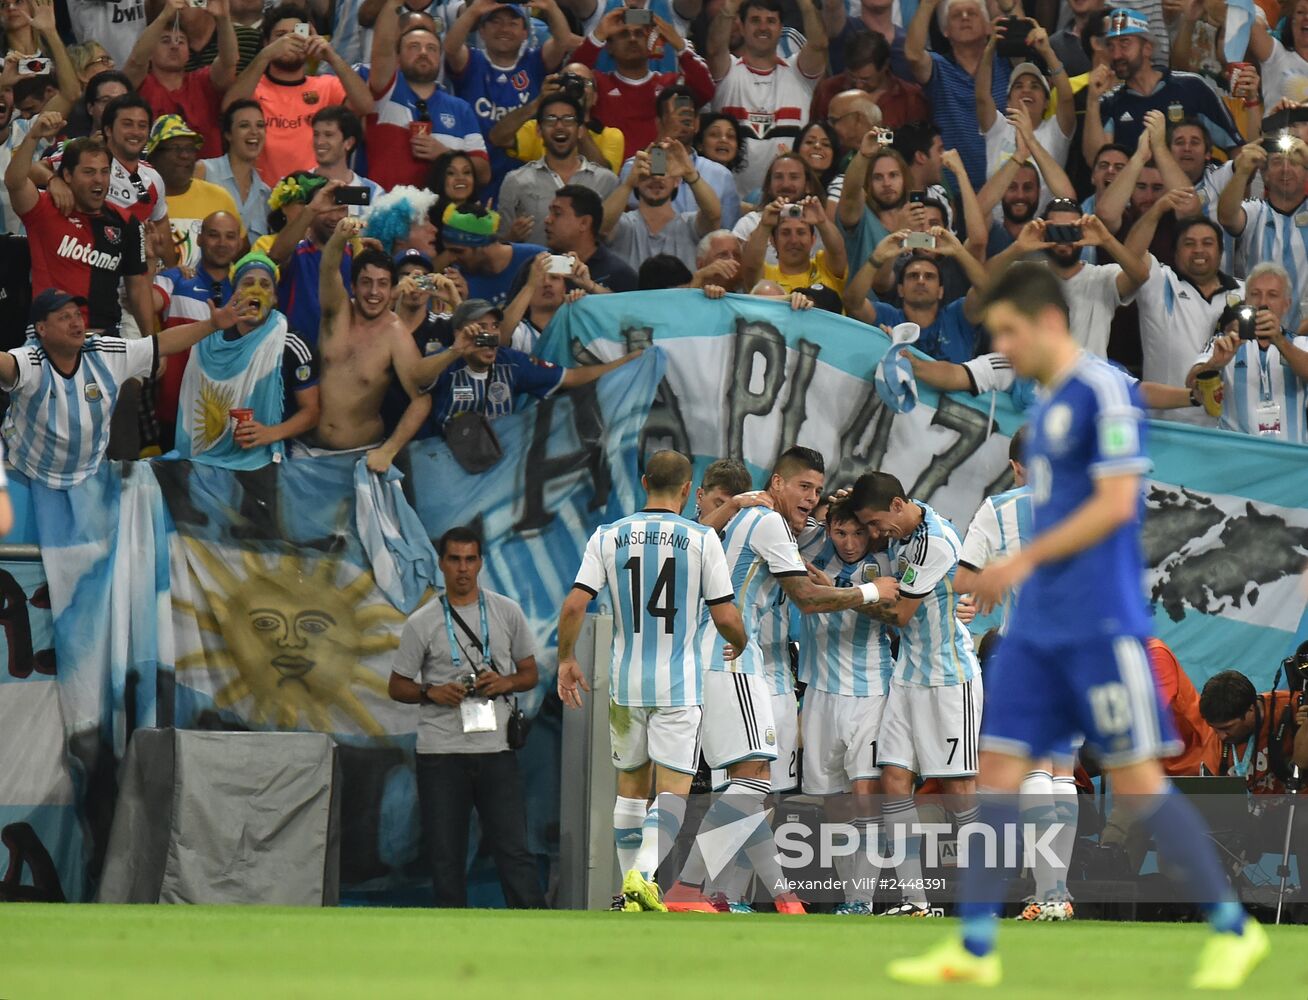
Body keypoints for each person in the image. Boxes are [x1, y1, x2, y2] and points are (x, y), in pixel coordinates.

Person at [887, 261, 1269, 989]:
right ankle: (972, 948)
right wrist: (901, 358)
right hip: (1037, 630)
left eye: (1007, 333)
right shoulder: (1049, 393)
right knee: (997, 772)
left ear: (1046, 323)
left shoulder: (1099, 389)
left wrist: (1014, 565)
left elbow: (1116, 505)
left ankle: (1231, 927)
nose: (1002, 348)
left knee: (1136, 784)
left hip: (1097, 620)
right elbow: (963, 377)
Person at [663, 447, 900, 914]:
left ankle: (753, 895)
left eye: (816, 489)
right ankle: (696, 889)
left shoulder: (753, 521)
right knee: (752, 786)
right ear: (776, 482)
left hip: (723, 665)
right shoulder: (768, 523)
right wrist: (873, 590)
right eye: (803, 487)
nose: (811, 498)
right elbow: (807, 598)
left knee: (749, 787)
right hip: (737, 664)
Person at [556, 449, 747, 912]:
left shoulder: (608, 536)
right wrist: (738, 641)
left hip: (626, 684)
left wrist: (566, 658)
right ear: (687, 490)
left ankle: (627, 894)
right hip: (678, 686)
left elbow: (574, 606)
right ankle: (643, 876)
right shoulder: (703, 539)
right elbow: (724, 615)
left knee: (630, 790)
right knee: (673, 792)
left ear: (644, 482)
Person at [953, 428, 1078, 922]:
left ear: (1017, 466)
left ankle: (1049, 894)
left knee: (1035, 769)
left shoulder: (997, 509)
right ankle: (1056, 895)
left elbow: (964, 576)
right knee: (1061, 768)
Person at [846, 470, 983, 918]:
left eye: (874, 524)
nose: (872, 535)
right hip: (908, 677)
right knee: (894, 780)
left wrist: (849, 596)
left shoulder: (934, 542)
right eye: (866, 527)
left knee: (960, 789)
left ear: (899, 506)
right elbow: (881, 516)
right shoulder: (905, 524)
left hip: (949, 678)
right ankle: (916, 903)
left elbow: (901, 614)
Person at [388, 525, 546, 910]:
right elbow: (397, 685)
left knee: (514, 849)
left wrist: (503, 682)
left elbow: (530, 674)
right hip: (441, 753)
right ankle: (450, 937)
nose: (463, 568)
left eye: (470, 559)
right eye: (455, 559)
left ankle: (538, 929)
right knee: (445, 855)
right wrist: (431, 691)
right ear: (442, 564)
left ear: (480, 563)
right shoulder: (421, 622)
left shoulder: (505, 611)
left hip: (496, 750)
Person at [0, 287, 248, 488]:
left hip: (88, 477)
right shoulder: (30, 360)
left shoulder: (104, 353)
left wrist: (211, 325)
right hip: (28, 474)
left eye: (77, 314)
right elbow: (7, 364)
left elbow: (161, 343)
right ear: (41, 329)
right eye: (64, 317)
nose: (76, 323)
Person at [796, 500, 896, 916]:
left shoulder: (887, 559)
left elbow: (894, 611)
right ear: (829, 527)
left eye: (858, 533)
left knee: (865, 795)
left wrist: (836, 592)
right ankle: (848, 895)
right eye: (842, 533)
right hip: (820, 691)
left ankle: (862, 900)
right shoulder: (808, 542)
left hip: (872, 690)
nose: (850, 543)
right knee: (833, 802)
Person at [174, 251, 320, 468]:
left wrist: (270, 433)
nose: (256, 291)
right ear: (234, 293)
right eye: (248, 283)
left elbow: (312, 411)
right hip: (203, 457)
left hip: (265, 463)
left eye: (265, 285)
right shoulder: (208, 341)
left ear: (275, 297)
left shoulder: (290, 343)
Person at [7, 121, 153, 337]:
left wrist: (151, 343)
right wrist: (33, 137)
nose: (99, 180)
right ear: (67, 175)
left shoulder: (125, 221)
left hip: (105, 337)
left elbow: (138, 287)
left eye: (105, 172)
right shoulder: (44, 209)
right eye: (89, 172)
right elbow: (14, 181)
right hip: (50, 336)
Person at [413, 297, 642, 435]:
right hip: (443, 463)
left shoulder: (511, 363)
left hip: (493, 464)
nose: (490, 333)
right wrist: (456, 350)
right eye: (481, 326)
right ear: (460, 332)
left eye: (494, 326)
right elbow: (418, 378)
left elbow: (572, 377)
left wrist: (624, 363)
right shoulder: (447, 360)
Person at [314, 216, 431, 472]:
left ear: (392, 290)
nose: (374, 293)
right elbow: (328, 269)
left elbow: (421, 400)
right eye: (366, 283)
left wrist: (389, 450)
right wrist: (339, 238)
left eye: (382, 284)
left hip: (360, 457)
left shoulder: (396, 334)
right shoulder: (337, 310)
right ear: (353, 286)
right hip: (307, 452)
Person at [221, 4, 374, 186]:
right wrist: (265, 56)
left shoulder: (326, 85)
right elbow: (228, 109)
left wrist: (331, 55)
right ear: (266, 42)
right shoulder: (252, 86)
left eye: (297, 33)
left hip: (314, 195)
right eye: (280, 36)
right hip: (261, 195)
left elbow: (366, 106)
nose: (289, 40)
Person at [444, 0, 578, 196]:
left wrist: (551, 7)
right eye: (495, 22)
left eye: (512, 23)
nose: (504, 29)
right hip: (478, 176)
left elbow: (562, 42)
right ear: (481, 31)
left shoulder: (534, 62)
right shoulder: (473, 61)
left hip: (529, 178)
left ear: (525, 33)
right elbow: (450, 48)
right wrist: (473, 11)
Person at [1126, 204, 1243, 422]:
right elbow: (1131, 253)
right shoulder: (1159, 281)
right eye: (1189, 244)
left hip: (1226, 428)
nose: (1199, 250)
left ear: (1221, 251)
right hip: (1168, 423)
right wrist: (1157, 209)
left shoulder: (1243, 292)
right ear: (1176, 252)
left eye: (1207, 243)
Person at [986, 205, 1150, 359]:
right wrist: (1018, 247)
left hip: (1088, 384)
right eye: (1056, 230)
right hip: (1035, 386)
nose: (1064, 239)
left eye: (1072, 230)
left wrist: (1106, 239)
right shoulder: (1028, 274)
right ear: (1044, 232)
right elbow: (982, 279)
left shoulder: (1103, 277)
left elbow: (1141, 275)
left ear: (1083, 231)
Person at [1082, 7, 1240, 166]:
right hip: (1139, 189)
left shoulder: (1192, 87)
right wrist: (1092, 101)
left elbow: (1236, 147)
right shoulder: (1110, 102)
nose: (1116, 55)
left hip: (1195, 189)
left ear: (1147, 48)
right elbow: (1096, 161)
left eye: (1124, 43)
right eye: (1111, 46)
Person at [362, 2, 489, 193]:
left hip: (440, 217)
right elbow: (382, 49)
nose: (423, 53)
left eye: (431, 48)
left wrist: (445, 155)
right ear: (397, 57)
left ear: (440, 57)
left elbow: (484, 173)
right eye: (414, 46)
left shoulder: (460, 108)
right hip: (387, 214)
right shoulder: (386, 93)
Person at [707, 0, 826, 200]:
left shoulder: (798, 73)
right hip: (732, 203)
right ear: (741, 27)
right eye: (755, 20)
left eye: (771, 21)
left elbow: (819, 44)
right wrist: (731, 5)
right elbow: (714, 48)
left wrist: (804, 3)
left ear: (781, 28)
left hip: (790, 202)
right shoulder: (728, 72)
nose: (763, 27)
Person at [151, 210, 243, 446]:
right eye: (214, 235)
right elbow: (144, 302)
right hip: (174, 413)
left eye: (230, 236)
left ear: (240, 243)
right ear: (200, 238)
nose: (222, 243)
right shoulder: (176, 279)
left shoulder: (245, 291)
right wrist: (149, 259)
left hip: (228, 416)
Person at [1187, 262, 1308, 442]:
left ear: (1287, 304)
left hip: (1290, 463)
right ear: (1245, 300)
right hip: (1239, 459)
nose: (1263, 302)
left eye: (1272, 295)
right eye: (1255, 294)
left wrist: (1280, 341)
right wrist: (1214, 364)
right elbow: (1191, 384)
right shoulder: (1223, 342)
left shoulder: (1300, 343)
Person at [573, 7, 714, 160]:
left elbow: (706, 91)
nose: (632, 39)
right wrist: (598, 35)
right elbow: (571, 76)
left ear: (651, 44)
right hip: (608, 173)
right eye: (623, 34)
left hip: (658, 168)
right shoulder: (597, 84)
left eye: (639, 34)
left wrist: (680, 46)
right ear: (609, 47)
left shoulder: (670, 85)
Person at [904, 0, 1010, 188]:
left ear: (988, 27)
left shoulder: (1007, 62)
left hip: (1006, 186)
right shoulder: (938, 67)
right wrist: (928, 5)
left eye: (972, 13)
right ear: (945, 31)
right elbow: (913, 55)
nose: (964, 18)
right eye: (956, 15)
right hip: (955, 188)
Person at [844, 229, 986, 363]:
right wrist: (877, 257)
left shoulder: (957, 316)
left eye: (929, 276)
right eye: (913, 276)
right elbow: (853, 304)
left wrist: (958, 251)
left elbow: (986, 291)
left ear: (941, 291)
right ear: (900, 290)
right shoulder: (887, 316)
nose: (921, 281)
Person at [496, 94, 619, 247]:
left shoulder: (606, 181)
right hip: (534, 269)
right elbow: (499, 247)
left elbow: (614, 241)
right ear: (539, 131)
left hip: (590, 270)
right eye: (551, 120)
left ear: (580, 130)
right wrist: (512, 237)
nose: (559, 126)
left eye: (568, 119)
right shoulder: (515, 180)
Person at [122, 0, 238, 160]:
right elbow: (136, 61)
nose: (174, 46)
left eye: (181, 41)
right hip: (152, 175)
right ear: (150, 50)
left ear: (189, 52)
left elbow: (229, 62)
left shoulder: (202, 81)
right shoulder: (140, 84)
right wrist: (165, 15)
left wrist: (224, 19)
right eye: (165, 40)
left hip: (205, 177)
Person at [618, 85, 741, 230]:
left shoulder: (720, 174)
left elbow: (727, 231)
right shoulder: (635, 167)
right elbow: (641, 203)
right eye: (673, 117)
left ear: (696, 124)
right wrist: (665, 138)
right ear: (659, 123)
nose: (680, 124)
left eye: (686, 119)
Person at [1217, 139, 1308, 332]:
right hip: (1255, 334)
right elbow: (1226, 217)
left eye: (1294, 162)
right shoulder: (1255, 211)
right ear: (1264, 175)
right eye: (1276, 163)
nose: (1285, 169)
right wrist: (1242, 171)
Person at [601, 141, 721, 273]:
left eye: (663, 170)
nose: (656, 178)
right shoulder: (623, 224)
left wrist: (690, 173)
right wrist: (629, 183)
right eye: (648, 170)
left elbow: (714, 215)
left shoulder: (689, 224)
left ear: (677, 181)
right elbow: (601, 227)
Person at [489, 64, 625, 175]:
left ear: (595, 97)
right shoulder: (541, 128)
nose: (576, 87)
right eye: (569, 80)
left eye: (585, 82)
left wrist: (575, 115)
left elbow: (604, 177)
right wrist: (538, 103)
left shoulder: (611, 135)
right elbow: (498, 138)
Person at [148, 114, 243, 269]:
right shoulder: (137, 199)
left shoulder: (219, 197)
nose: (184, 155)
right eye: (175, 148)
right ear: (154, 155)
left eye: (189, 149)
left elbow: (241, 252)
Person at [1200, 669, 1308, 795]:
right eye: (1214, 728)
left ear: (1250, 709)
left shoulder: (1296, 710)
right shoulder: (1213, 735)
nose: (1221, 736)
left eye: (1227, 728)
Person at [810, 29, 928, 128]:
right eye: (852, 77)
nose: (858, 85)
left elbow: (914, 146)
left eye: (865, 79)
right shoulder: (827, 90)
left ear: (885, 66)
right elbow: (816, 133)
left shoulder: (910, 99)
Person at [440, 202, 546, 306]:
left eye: (458, 251)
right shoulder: (458, 281)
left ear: (481, 245)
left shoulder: (537, 259)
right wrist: (460, 303)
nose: (451, 258)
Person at [742, 194, 846, 297]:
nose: (794, 240)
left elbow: (838, 252)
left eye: (801, 232)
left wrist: (822, 221)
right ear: (773, 241)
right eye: (785, 233)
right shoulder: (765, 276)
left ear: (813, 239)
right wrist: (765, 225)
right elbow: (751, 266)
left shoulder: (825, 266)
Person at [199, 99, 272, 241]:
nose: (254, 132)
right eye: (244, 126)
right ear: (228, 134)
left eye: (260, 125)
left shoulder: (266, 194)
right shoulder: (204, 171)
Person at [545, 185, 637, 292]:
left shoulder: (620, 275)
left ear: (584, 223)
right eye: (550, 213)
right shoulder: (537, 267)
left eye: (557, 213)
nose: (547, 220)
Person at [310, 106, 383, 216]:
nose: (319, 142)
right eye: (316, 134)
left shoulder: (374, 194)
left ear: (348, 143)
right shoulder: (293, 186)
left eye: (328, 135)